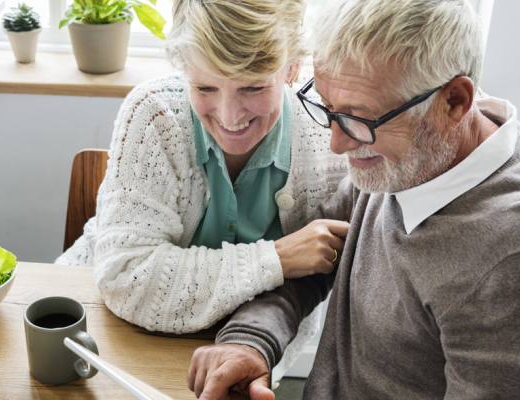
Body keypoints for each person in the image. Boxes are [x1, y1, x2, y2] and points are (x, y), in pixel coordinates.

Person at [187, 0, 520, 398]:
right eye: (328, 108)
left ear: (455, 101)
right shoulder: (402, 160)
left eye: (359, 118)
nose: (337, 144)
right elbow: (307, 270)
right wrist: (249, 342)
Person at [56, 0, 349, 381]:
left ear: (292, 67)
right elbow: (126, 277)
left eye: (252, 87)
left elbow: (310, 287)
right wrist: (275, 258)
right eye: (205, 86)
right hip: (101, 325)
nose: (229, 118)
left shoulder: (331, 142)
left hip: (243, 350)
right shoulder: (154, 113)